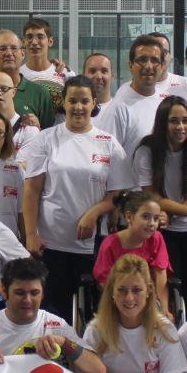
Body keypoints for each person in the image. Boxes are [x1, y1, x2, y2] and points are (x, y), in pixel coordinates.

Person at [21, 76, 130, 320]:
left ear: (93, 103)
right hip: (51, 242)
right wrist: (31, 234)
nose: (78, 107)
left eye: (84, 101)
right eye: (72, 101)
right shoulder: (46, 139)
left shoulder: (108, 143)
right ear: (63, 103)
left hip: (91, 245)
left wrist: (95, 212)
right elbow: (32, 190)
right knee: (53, 312)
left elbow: (119, 194)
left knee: (91, 313)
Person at [134, 95, 187, 315]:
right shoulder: (146, 150)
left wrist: (179, 213)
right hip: (162, 231)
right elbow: (151, 196)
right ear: (162, 123)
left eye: (186, 121)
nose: (181, 127)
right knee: (169, 290)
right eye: (174, 121)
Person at [0, 257, 108, 373]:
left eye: (34, 293)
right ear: (4, 291)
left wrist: (64, 343)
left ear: (43, 294)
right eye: (20, 293)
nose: (27, 300)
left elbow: (99, 370)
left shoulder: (58, 326)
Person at [82, 256, 187, 373]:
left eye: (137, 290)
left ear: (149, 291)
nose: (129, 298)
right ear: (112, 291)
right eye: (122, 290)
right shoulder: (96, 330)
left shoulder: (164, 330)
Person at [92, 190, 172, 313]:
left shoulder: (157, 238)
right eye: (146, 217)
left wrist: (164, 308)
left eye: (156, 218)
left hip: (148, 300)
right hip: (119, 300)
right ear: (129, 217)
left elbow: (161, 275)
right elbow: (105, 283)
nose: (152, 223)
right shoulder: (110, 244)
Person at [97, 35, 172, 160]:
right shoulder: (119, 108)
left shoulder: (167, 101)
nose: (148, 66)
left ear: (162, 66)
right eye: (142, 60)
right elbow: (105, 157)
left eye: (154, 60)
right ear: (131, 65)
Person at [18, 16, 69, 111]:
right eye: (29, 37)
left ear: (50, 41)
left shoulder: (65, 73)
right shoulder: (17, 75)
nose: (34, 42)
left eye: (40, 37)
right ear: (23, 41)